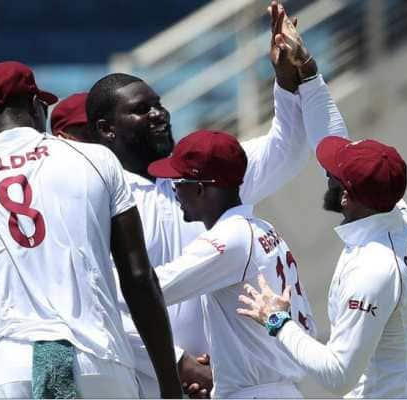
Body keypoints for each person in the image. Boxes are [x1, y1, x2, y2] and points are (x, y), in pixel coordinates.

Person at [84, 2, 348, 396]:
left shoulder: (212, 172)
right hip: (158, 385)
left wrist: (286, 81)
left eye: (159, 103)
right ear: (106, 129)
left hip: (239, 384)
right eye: (141, 110)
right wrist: (177, 363)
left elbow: (287, 148)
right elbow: (101, 301)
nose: (159, 114)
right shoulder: (99, 199)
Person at [0, 61, 182, 398]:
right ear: (36, 106)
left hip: (12, 369)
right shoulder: (96, 160)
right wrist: (169, 384)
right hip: (98, 360)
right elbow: (138, 278)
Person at [237, 136, 407, 398]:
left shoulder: (372, 270)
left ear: (346, 196)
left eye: (330, 173)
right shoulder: (400, 213)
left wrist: (277, 321)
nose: (326, 174)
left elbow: (338, 376)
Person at [49, 93, 213, 397]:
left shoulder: (162, 186)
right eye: (91, 136)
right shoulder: (62, 208)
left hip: (200, 374)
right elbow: (113, 295)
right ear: (63, 140)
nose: (104, 148)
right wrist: (177, 368)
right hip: (92, 365)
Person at [148, 129, 317, 398]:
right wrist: (227, 367)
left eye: (177, 182)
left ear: (200, 188)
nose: (174, 191)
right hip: (273, 388)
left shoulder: (229, 239)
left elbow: (149, 291)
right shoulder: (260, 227)